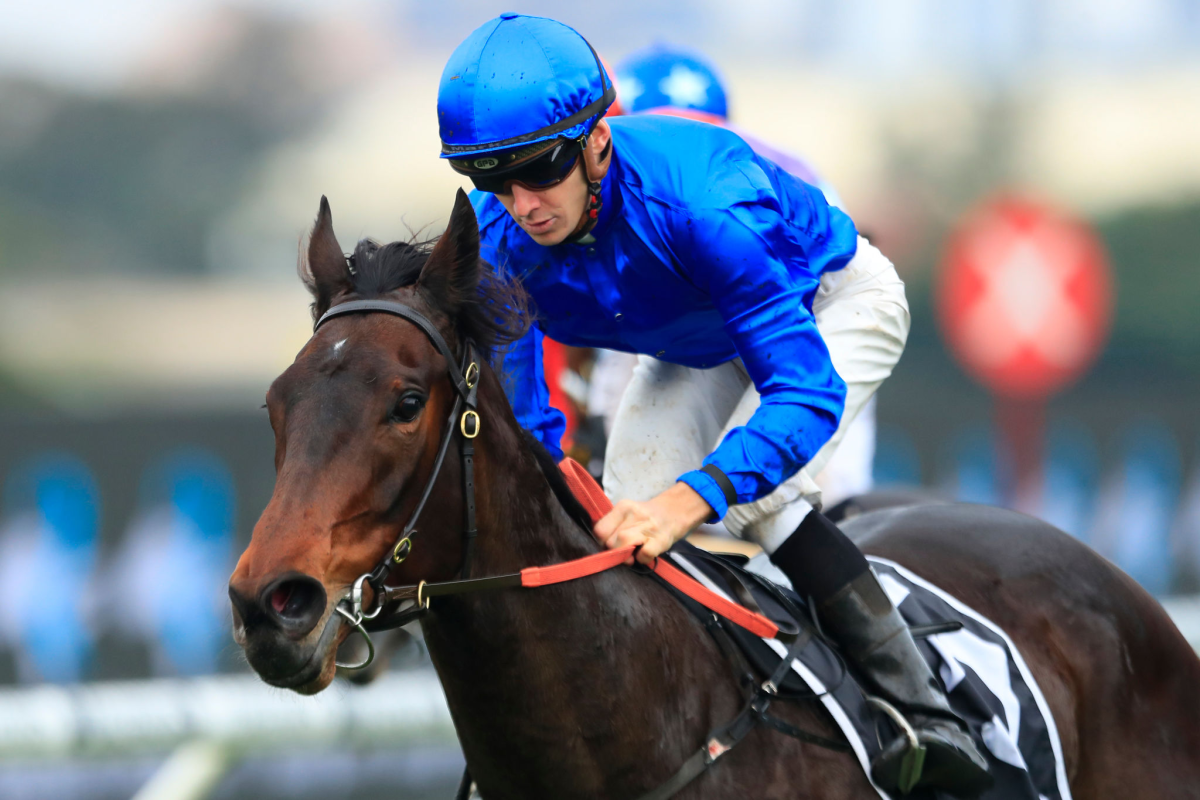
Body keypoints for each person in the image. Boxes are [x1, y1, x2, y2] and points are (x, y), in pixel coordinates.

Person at [436, 14, 990, 796]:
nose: (522, 204)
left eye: (538, 168)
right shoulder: (499, 247)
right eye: (491, 178)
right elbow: (534, 431)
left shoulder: (702, 204)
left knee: (760, 500)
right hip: (699, 347)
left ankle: (924, 711)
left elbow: (803, 390)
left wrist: (696, 494)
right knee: (622, 517)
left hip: (831, 305)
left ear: (599, 137)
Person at [613, 42, 876, 508]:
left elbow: (830, 326)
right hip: (715, 343)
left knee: (780, 503)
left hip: (812, 340)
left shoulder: (773, 180)